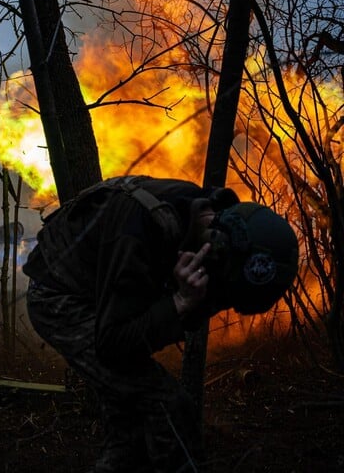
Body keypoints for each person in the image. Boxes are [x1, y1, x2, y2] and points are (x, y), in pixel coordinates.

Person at [23, 175, 298, 472]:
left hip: (108, 298)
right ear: (215, 248)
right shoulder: (142, 229)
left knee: (130, 428)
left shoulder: (215, 222)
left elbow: (178, 313)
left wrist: (182, 304)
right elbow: (113, 344)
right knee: (165, 404)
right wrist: (178, 303)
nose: (222, 302)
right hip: (60, 296)